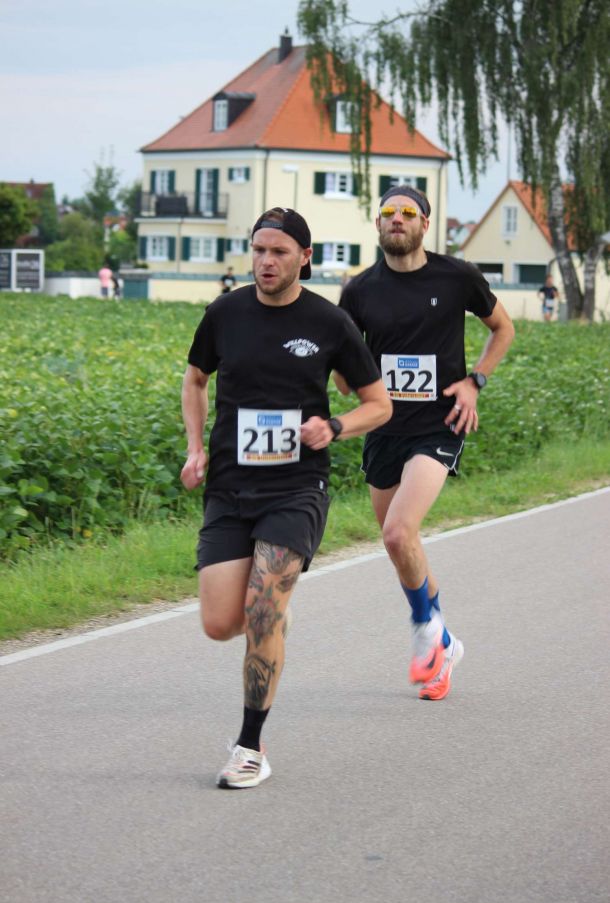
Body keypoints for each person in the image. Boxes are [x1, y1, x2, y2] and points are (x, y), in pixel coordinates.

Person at [181, 206, 391, 788]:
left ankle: (250, 747)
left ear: (305, 257)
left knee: (263, 608)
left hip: (297, 487)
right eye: (259, 250)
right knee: (220, 624)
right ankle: (269, 614)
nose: (266, 261)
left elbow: (379, 404)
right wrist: (195, 448)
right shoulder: (224, 313)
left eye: (279, 251)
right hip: (229, 486)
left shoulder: (329, 322)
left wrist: (335, 426)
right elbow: (195, 380)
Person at [336, 185, 515, 701]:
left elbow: (502, 328)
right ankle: (445, 644)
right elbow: (344, 379)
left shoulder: (457, 276)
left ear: (425, 224)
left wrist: (475, 381)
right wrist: (344, 369)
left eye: (408, 213)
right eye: (388, 212)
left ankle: (424, 633)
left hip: (439, 424)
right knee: (402, 547)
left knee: (399, 533)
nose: (398, 219)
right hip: (383, 430)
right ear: (377, 224)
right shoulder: (359, 290)